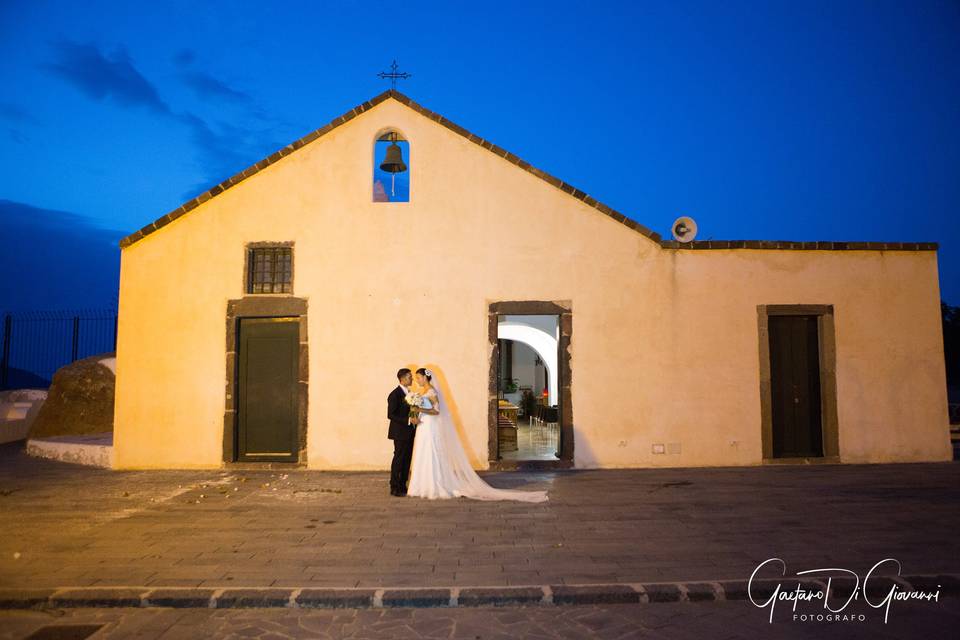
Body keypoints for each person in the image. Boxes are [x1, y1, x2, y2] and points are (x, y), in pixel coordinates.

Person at [406, 367, 549, 502]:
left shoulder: (432, 392)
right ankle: (422, 484)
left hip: (431, 426)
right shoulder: (424, 393)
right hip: (423, 425)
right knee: (424, 452)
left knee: (432, 453)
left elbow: (436, 411)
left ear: (425, 377)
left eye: (418, 377)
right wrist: (416, 412)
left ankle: (434, 484)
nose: (417, 380)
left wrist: (418, 408)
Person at [387, 368, 418, 496]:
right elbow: (391, 415)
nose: (412, 379)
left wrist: (414, 416)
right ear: (402, 379)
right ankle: (394, 487)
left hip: (410, 432)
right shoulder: (394, 394)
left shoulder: (410, 393)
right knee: (399, 459)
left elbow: (411, 410)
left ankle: (403, 485)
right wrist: (408, 419)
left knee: (407, 459)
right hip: (399, 433)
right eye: (410, 377)